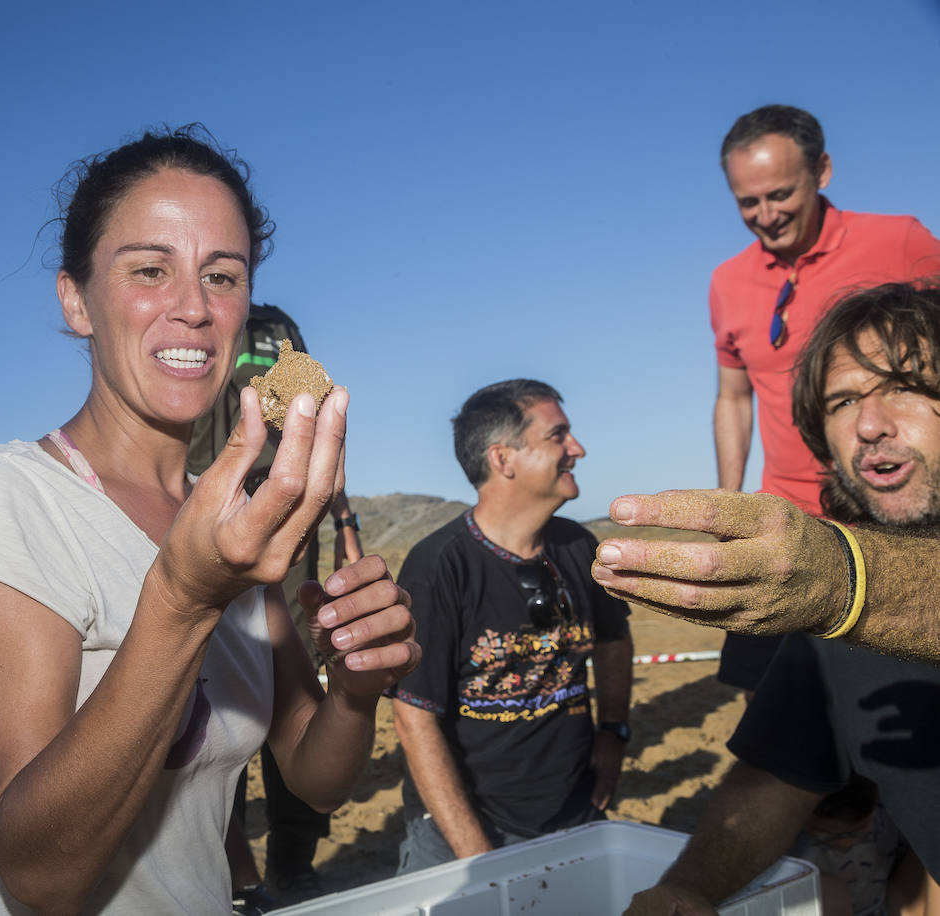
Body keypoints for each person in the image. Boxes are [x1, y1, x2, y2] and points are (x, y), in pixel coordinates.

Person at [0, 127, 419, 915]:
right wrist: (183, 598)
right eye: (148, 270)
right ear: (76, 300)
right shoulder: (3, 500)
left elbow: (314, 775)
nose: (195, 309)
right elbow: (39, 875)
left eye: (223, 276)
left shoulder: (234, 515)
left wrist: (355, 692)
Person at [622, 282, 940, 915]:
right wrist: (690, 886)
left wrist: (845, 580)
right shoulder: (825, 610)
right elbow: (777, 776)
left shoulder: (836, 582)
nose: (871, 424)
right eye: (844, 400)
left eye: (903, 385)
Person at [708, 104, 940, 692]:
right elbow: (734, 398)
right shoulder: (726, 281)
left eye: (780, 194)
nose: (765, 215)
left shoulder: (901, 241)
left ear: (824, 171)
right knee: (768, 708)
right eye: (746, 202)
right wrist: (728, 503)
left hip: (887, 523)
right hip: (783, 517)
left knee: (885, 707)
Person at [389, 380, 632, 874]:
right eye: (558, 435)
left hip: (575, 817)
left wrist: (614, 730)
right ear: (504, 460)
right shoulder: (437, 568)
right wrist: (479, 860)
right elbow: (414, 719)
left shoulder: (579, 548)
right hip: (465, 832)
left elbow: (613, 639)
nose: (578, 449)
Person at [188, 303, 362, 908]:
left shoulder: (277, 326)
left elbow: (313, 418)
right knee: (212, 697)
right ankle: (229, 860)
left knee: (291, 685)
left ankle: (294, 859)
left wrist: (344, 519)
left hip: (288, 527)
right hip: (202, 519)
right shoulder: (190, 324)